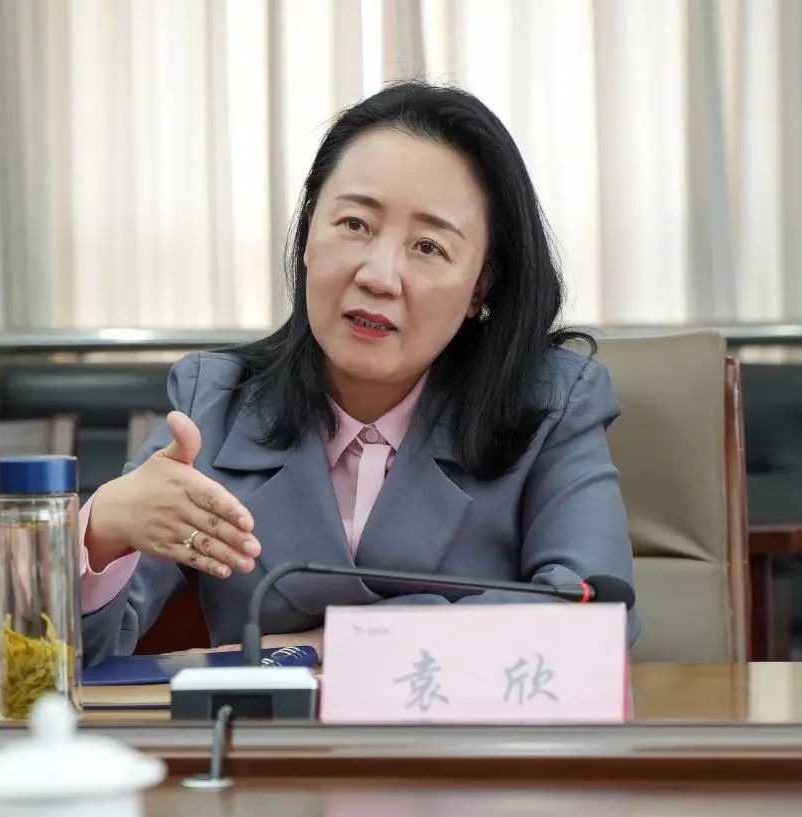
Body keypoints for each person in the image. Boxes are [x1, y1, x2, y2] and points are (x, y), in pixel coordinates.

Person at [79, 80, 639, 665]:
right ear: (307, 235)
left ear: (480, 287)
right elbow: (68, 659)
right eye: (354, 224)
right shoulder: (218, 404)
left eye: (428, 247)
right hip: (268, 729)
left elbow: (593, 617)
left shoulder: (549, 405)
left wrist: (332, 647)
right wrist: (103, 533)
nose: (378, 275)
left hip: (468, 726)